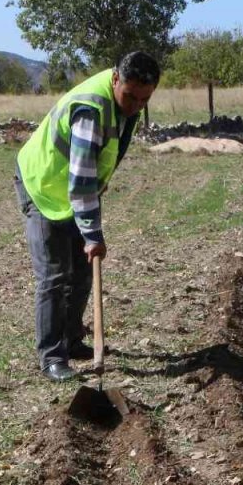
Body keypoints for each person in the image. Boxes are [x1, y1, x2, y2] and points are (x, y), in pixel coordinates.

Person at [13, 50, 160, 381]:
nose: (135, 105)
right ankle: (52, 356)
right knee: (54, 274)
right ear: (115, 79)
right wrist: (93, 235)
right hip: (43, 186)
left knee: (82, 270)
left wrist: (90, 228)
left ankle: (72, 340)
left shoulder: (127, 104)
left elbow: (97, 164)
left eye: (143, 100)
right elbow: (79, 184)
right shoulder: (91, 110)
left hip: (76, 187)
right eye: (130, 96)